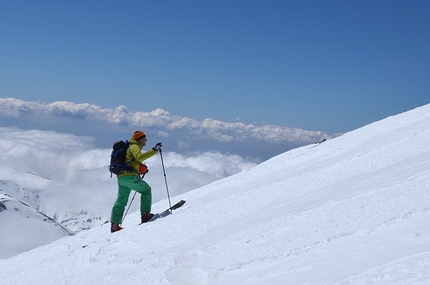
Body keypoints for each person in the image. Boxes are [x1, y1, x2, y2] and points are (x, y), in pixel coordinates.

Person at [110, 130, 162, 233]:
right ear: (139, 139)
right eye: (144, 138)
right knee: (146, 190)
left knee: (121, 201)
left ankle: (114, 225)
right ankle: (145, 215)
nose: (146, 140)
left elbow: (132, 162)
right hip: (130, 177)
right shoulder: (134, 146)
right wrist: (154, 150)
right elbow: (139, 157)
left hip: (121, 177)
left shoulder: (130, 146)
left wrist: (141, 168)